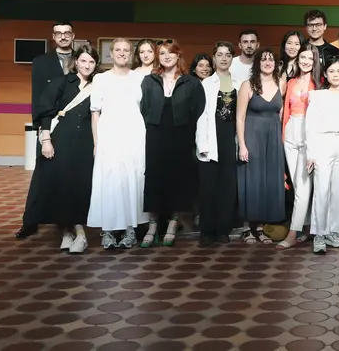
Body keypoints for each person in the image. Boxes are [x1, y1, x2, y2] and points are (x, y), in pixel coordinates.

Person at [31, 44, 100, 254]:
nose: (87, 65)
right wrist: (46, 140)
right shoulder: (61, 82)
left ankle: (71, 232)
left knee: (81, 186)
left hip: (85, 143)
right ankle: (78, 233)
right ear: (76, 62)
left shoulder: (99, 85)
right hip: (61, 140)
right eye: (83, 61)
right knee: (61, 186)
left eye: (91, 62)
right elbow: (45, 111)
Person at [139, 41, 206, 248]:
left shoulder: (191, 83)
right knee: (154, 178)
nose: (167, 56)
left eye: (171, 53)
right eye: (162, 53)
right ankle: (152, 226)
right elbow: (143, 107)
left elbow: (198, 110)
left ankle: (173, 223)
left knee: (177, 178)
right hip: (155, 135)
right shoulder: (149, 81)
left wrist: (186, 129)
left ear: (178, 55)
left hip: (181, 136)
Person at [17, 20, 75, 240]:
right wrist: (41, 129)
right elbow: (38, 97)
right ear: (53, 37)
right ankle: (30, 222)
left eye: (67, 33)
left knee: (69, 175)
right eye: (58, 33)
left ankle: (65, 219)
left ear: (73, 36)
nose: (63, 36)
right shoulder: (41, 62)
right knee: (42, 174)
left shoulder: (82, 59)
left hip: (75, 124)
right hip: (49, 123)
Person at [87, 39, 148, 249]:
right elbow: (95, 112)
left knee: (132, 180)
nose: (122, 53)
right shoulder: (100, 79)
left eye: (126, 50)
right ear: (111, 54)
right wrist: (96, 142)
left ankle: (130, 229)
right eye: (118, 50)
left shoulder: (140, 78)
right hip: (109, 137)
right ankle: (108, 230)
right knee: (110, 181)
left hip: (134, 136)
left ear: (131, 54)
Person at [306, 58, 339, 254]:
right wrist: (311, 153)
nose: (335, 75)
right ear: (325, 75)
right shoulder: (317, 95)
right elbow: (310, 125)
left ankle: (333, 232)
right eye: (331, 71)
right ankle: (319, 234)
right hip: (323, 141)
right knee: (321, 189)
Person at [236, 48, 287, 244]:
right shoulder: (247, 85)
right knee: (252, 180)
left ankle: (261, 227)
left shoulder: (280, 83)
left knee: (269, 181)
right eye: (264, 59)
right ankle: (246, 227)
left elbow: (281, 115)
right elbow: (240, 118)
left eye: (271, 59)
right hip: (252, 135)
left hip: (273, 137)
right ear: (257, 63)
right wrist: (242, 145)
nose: (267, 63)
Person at [195, 42, 240, 246]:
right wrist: (202, 144)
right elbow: (201, 117)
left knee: (227, 187)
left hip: (230, 139)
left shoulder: (240, 83)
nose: (223, 58)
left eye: (228, 55)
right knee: (208, 188)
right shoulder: (206, 84)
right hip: (210, 139)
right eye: (220, 54)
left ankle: (223, 230)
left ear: (232, 58)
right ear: (214, 58)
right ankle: (207, 230)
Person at [278, 47, 320, 250]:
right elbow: (284, 110)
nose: (305, 61)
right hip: (290, 132)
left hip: (308, 134)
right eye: (302, 57)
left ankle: (293, 232)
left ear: (315, 61)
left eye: (310, 58)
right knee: (298, 186)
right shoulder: (291, 82)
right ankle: (307, 227)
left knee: (303, 186)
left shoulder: (319, 84)